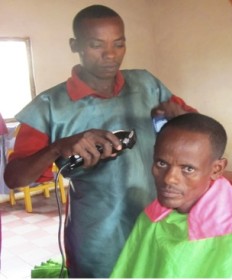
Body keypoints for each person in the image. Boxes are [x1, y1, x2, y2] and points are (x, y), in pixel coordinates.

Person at [3, 5, 196, 278]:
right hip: (97, 235)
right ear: (75, 45)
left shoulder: (146, 84)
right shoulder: (49, 106)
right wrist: (58, 147)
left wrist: (181, 120)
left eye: (119, 44)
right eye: (96, 45)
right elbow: (14, 178)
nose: (110, 55)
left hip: (158, 220)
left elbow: (196, 129)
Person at [110, 112, 232, 278]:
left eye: (188, 169)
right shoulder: (153, 215)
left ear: (216, 169)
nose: (169, 179)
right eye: (161, 163)